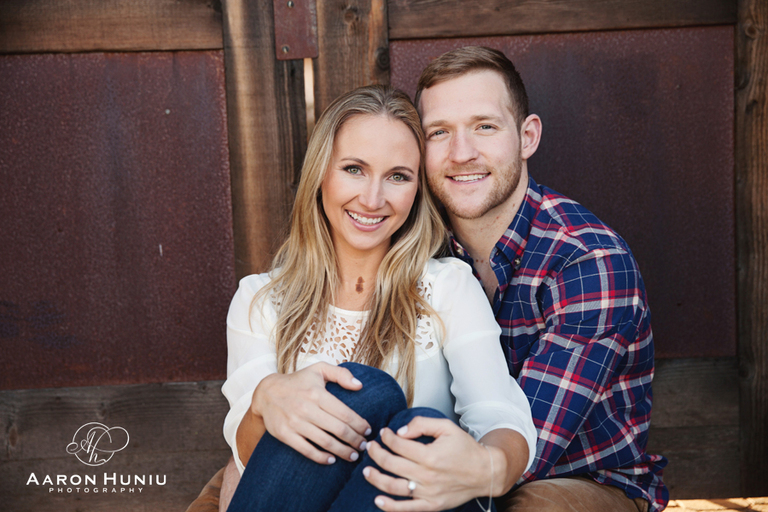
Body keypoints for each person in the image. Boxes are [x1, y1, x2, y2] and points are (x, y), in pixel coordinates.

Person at [221, 84, 538, 512]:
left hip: (424, 504)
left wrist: (489, 466)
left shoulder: (448, 287)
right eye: (354, 169)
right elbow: (249, 459)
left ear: (416, 190)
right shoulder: (259, 300)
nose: (372, 199)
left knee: (417, 431)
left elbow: (499, 417)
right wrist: (264, 403)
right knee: (368, 393)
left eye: (398, 176)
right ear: (321, 173)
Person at [410, 46, 669, 512]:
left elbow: (522, 448)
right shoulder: (416, 248)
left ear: (527, 137)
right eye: (439, 132)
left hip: (577, 479)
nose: (461, 153)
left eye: (484, 126)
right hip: (442, 458)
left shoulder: (590, 261)